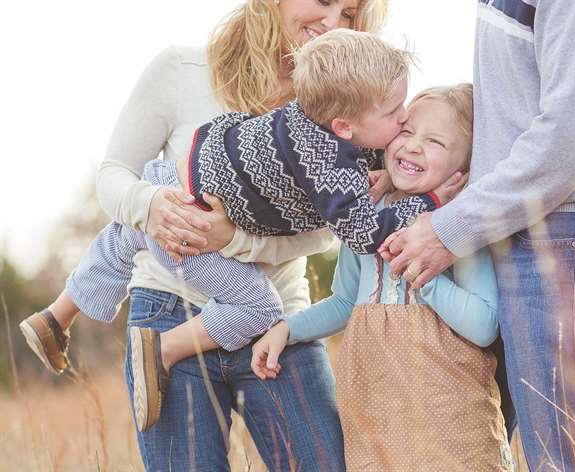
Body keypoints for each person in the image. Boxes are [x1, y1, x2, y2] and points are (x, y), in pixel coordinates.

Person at [20, 29, 465, 433]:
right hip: (191, 224)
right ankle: (164, 350)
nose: (403, 118)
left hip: (172, 176)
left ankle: (56, 315)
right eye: (393, 111)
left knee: (123, 239)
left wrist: (383, 172)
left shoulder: (312, 111)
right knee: (258, 306)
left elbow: (358, 155)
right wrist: (427, 202)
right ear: (345, 127)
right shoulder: (329, 163)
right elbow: (363, 231)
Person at [380, 1, 575, 470]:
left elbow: (571, 137)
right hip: (522, 225)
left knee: (569, 458)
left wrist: (451, 229)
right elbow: (513, 116)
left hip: (571, 229)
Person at [252, 84, 514, 471]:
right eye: (406, 132)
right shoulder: (367, 216)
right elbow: (345, 302)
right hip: (374, 419)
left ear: (462, 171)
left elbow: (483, 325)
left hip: (450, 417)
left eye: (435, 141)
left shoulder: (455, 225)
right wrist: (287, 329)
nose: (412, 146)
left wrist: (423, 274)